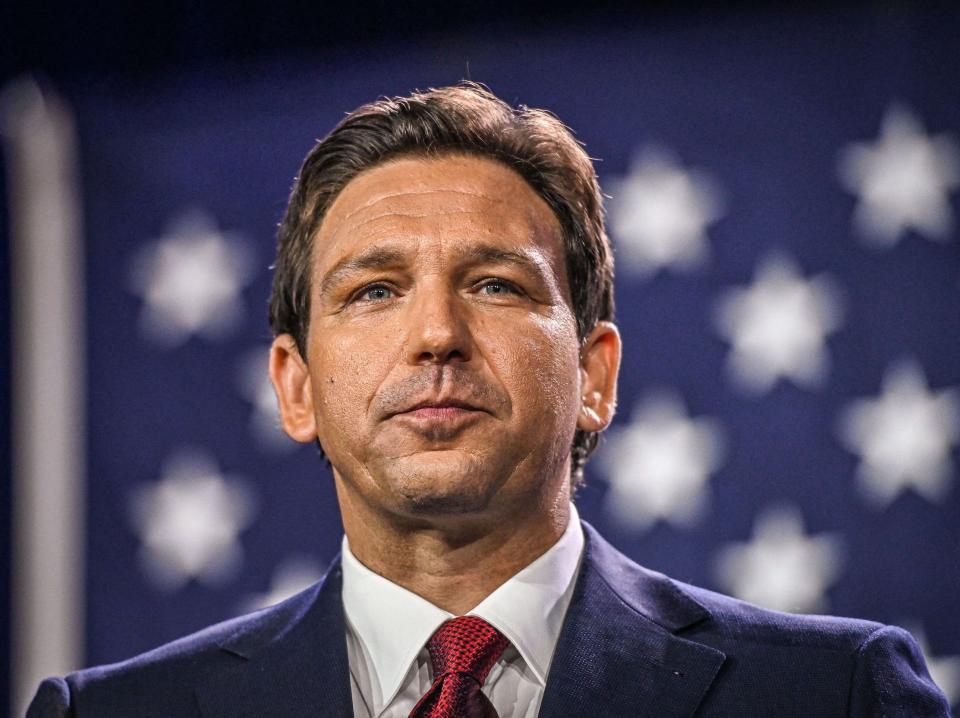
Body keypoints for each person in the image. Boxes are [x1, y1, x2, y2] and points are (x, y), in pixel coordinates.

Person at [27, 83, 951, 718]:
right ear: (295, 387)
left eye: (498, 285)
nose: (436, 334)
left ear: (595, 376)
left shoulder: (833, 695)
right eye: (373, 291)